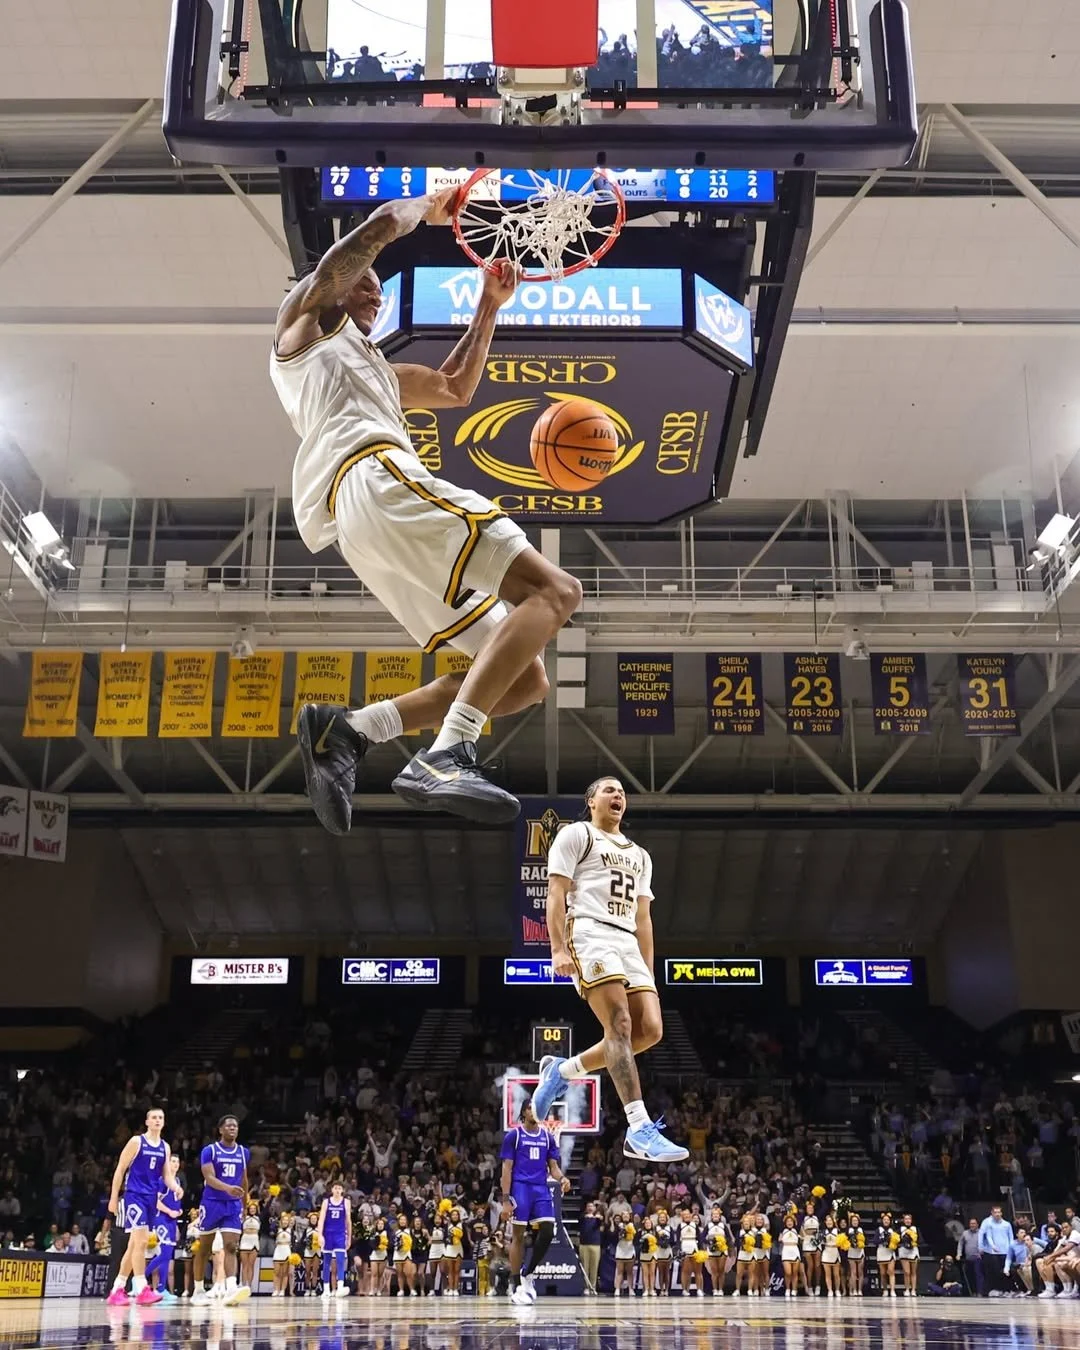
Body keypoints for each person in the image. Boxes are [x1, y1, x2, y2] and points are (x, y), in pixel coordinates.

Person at [271, 188, 581, 834]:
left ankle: (352, 730)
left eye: (378, 289)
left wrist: (488, 306)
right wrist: (427, 206)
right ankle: (447, 752)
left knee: (523, 681)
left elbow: (455, 387)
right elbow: (380, 227)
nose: (375, 293)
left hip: (366, 523)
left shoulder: (374, 370)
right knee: (555, 591)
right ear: (328, 285)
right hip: (375, 481)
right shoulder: (303, 331)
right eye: (366, 282)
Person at [532, 778, 687, 1163]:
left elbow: (644, 918)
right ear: (591, 801)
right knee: (619, 1024)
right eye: (609, 790)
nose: (618, 795)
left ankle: (562, 1071)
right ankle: (639, 1128)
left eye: (621, 792)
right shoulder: (577, 834)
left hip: (627, 939)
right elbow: (556, 893)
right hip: (589, 930)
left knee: (650, 1030)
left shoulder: (641, 856)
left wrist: (648, 973)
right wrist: (557, 948)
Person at [499, 1100, 571, 1305]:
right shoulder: (514, 1136)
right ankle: (516, 1285)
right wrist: (505, 1199)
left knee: (548, 1231)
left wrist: (562, 1179)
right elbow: (506, 1169)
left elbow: (553, 1167)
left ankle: (527, 1273)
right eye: (531, 1107)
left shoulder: (547, 1137)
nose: (535, 1110)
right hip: (520, 1187)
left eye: (538, 1107)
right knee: (518, 1236)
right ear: (523, 1112)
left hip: (541, 1188)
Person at [106, 1106, 176, 1306]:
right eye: (153, 1117)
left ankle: (117, 1289)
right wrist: (113, 1197)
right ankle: (141, 1288)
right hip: (134, 1196)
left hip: (151, 1198)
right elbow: (120, 1169)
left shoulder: (165, 1147)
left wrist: (175, 1188)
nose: (157, 1120)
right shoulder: (137, 1142)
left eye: (160, 1117)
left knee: (134, 1245)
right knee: (142, 1242)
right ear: (147, 1122)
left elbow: (167, 1175)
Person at [192, 1115, 251, 1305]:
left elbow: (244, 1180)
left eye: (235, 1126)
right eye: (229, 1126)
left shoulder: (243, 1152)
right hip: (211, 1203)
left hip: (233, 1205)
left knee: (231, 1246)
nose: (233, 1128)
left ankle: (231, 1288)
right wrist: (227, 1188)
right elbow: (209, 1178)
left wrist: (244, 1204)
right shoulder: (210, 1151)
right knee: (204, 1249)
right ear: (220, 1130)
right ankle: (198, 1290)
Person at [145, 1157, 183, 1303]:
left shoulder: (177, 1182)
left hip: (172, 1221)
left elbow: (175, 1203)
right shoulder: (162, 1181)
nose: (176, 1164)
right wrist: (169, 1211)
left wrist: (178, 1211)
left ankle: (161, 1289)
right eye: (173, 1161)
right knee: (163, 1254)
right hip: (162, 1219)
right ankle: (139, 1280)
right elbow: (155, 1201)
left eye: (177, 1162)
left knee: (167, 1256)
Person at [318, 1180, 351, 1300]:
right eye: (335, 1188)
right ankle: (326, 1289)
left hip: (340, 1234)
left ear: (342, 1190)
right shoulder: (326, 1202)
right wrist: (319, 1235)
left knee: (340, 1261)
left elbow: (348, 1221)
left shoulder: (346, 1202)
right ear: (332, 1190)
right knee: (326, 1262)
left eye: (339, 1188)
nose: (337, 1190)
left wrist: (349, 1238)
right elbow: (321, 1220)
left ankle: (340, 1287)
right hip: (327, 1234)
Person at [978, 1204, 1014, 1297]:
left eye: (999, 1212)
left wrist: (1011, 1248)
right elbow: (988, 1236)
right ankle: (998, 1289)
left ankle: (1008, 1289)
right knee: (996, 1271)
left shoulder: (1007, 1224)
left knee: (1006, 1271)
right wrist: (991, 1246)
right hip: (994, 1252)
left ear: (1001, 1213)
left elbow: (1011, 1237)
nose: (997, 1214)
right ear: (992, 1213)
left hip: (1006, 1251)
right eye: (995, 1212)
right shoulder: (989, 1224)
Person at [239, 1200, 260, 1292]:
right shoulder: (244, 1217)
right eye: (251, 1208)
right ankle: (243, 1284)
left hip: (254, 1240)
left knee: (251, 1265)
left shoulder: (258, 1218)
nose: (252, 1210)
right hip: (245, 1240)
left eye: (254, 1208)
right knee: (244, 1265)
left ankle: (249, 1285)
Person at [898, 1213, 920, 1298]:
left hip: (913, 1251)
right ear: (903, 1220)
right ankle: (907, 1289)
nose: (907, 1220)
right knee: (906, 1272)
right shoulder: (900, 1229)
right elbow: (896, 1239)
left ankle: (913, 1290)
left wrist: (914, 1241)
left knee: (913, 1272)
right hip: (904, 1251)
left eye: (909, 1219)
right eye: (906, 1219)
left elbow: (920, 1240)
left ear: (911, 1220)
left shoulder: (915, 1229)